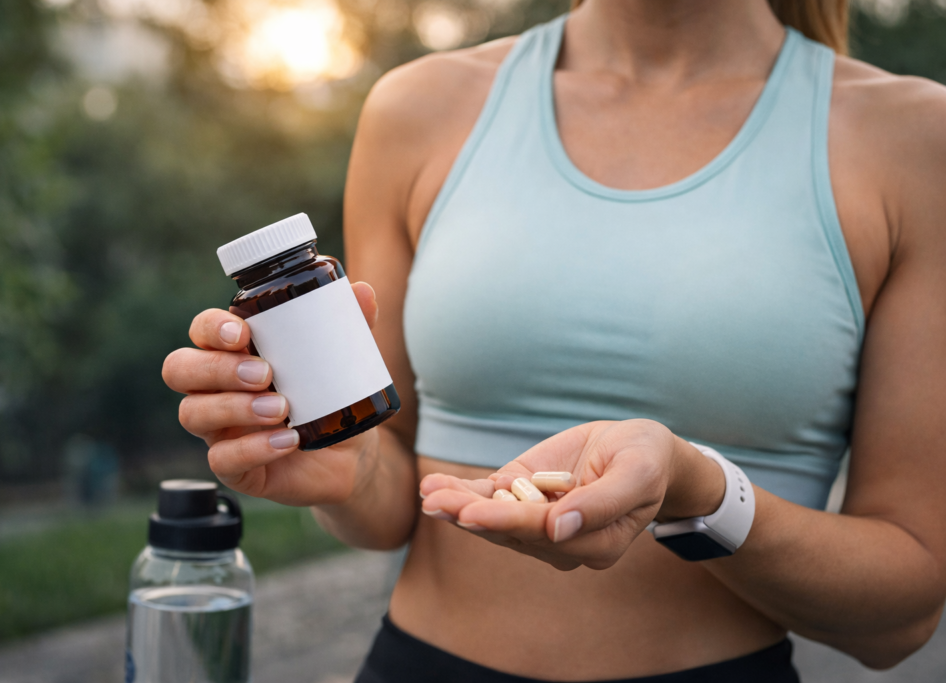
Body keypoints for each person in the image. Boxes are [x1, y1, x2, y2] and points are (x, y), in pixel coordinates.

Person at [162, 0, 946, 680]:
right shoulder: (419, 108)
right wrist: (346, 469)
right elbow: (390, 490)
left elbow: (899, 620)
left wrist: (699, 493)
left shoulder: (910, 138)